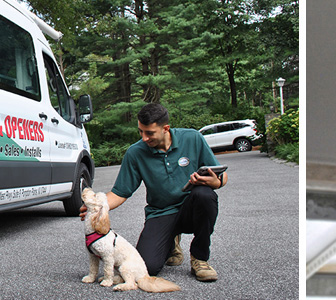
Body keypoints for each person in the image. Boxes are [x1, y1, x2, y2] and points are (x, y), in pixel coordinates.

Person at [80, 102, 228, 282]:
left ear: (166, 128)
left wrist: (216, 182)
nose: (144, 138)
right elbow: (121, 192)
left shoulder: (193, 138)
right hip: (161, 212)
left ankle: (200, 258)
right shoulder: (135, 153)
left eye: (149, 133)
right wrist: (98, 206)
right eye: (140, 131)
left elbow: (221, 175)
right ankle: (170, 242)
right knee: (148, 266)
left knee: (206, 195)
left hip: (191, 208)